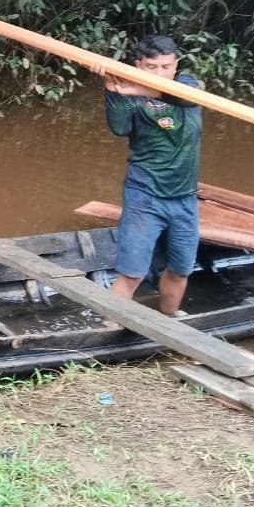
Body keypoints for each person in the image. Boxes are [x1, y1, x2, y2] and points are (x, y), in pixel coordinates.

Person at [95, 34, 202, 315]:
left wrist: (137, 89)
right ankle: (110, 328)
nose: (161, 74)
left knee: (181, 269)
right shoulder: (129, 100)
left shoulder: (189, 86)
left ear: (176, 65)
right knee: (132, 273)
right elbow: (119, 128)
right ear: (138, 66)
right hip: (145, 195)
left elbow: (188, 100)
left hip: (185, 197)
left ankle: (170, 321)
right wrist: (111, 87)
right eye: (151, 68)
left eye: (166, 67)